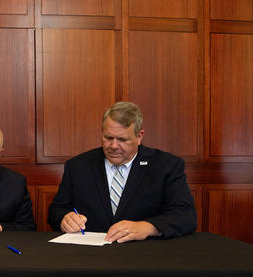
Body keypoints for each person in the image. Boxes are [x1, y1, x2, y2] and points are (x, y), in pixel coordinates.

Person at [48, 102, 196, 242]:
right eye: (108, 137)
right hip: (89, 256)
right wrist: (64, 219)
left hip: (145, 254)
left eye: (122, 139)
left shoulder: (166, 165)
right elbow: (57, 209)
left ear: (139, 136)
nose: (113, 146)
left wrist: (147, 227)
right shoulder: (78, 166)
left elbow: (185, 215)